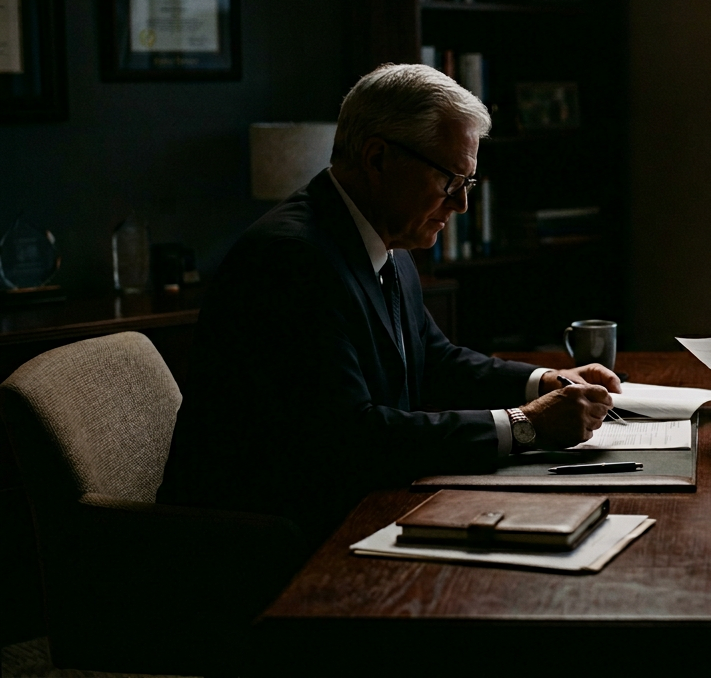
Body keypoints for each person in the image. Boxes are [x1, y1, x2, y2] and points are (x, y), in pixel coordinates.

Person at [158, 64, 620, 542]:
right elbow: (351, 437)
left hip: (357, 501)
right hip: (266, 540)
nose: (461, 205)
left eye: (468, 183)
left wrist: (542, 381)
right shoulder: (292, 261)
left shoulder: (383, 240)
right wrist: (525, 426)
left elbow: (434, 361)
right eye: (449, 181)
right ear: (377, 159)